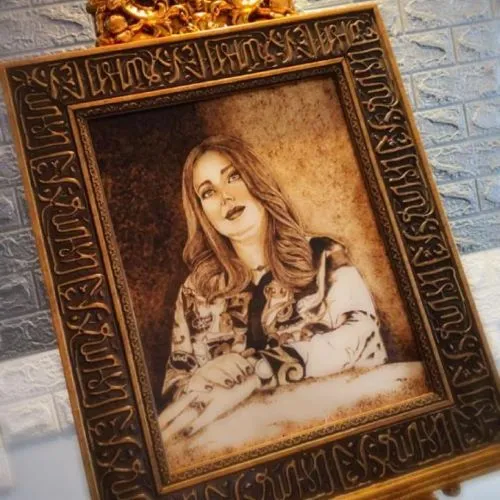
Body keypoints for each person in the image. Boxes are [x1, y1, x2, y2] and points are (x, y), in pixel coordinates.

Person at [159, 135, 388, 438]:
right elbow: (174, 382)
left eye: (234, 177)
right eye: (208, 192)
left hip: (333, 427)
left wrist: (263, 369)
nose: (225, 197)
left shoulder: (323, 256)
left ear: (257, 180)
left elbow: (364, 337)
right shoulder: (196, 290)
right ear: (201, 211)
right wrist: (200, 379)